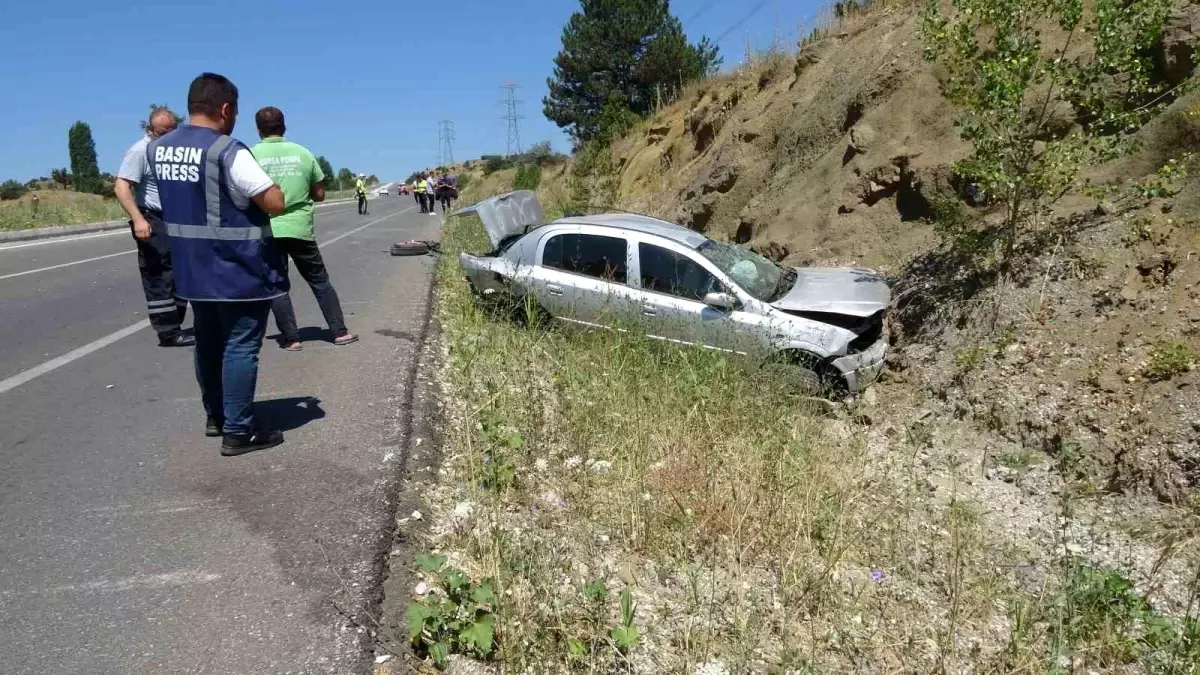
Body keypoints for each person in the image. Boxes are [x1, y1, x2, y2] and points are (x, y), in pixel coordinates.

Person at [151, 72, 289, 456]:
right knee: (241, 346)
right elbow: (272, 201)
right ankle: (239, 430)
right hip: (236, 268)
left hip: (190, 269)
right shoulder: (227, 150)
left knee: (208, 344)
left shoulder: (159, 149)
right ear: (226, 109)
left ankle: (216, 416)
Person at [251, 106, 358, 351]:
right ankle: (339, 331)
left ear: (259, 130)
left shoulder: (251, 156)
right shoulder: (302, 153)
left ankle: (291, 338)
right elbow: (319, 194)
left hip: (268, 230)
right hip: (300, 228)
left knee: (277, 285)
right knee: (319, 281)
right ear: (284, 126)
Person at [114, 107, 194, 347]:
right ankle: (168, 331)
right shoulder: (140, 151)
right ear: (150, 131)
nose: (167, 136)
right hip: (153, 218)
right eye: (162, 132)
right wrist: (139, 219)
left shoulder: (175, 150)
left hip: (177, 218)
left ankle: (176, 323)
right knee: (159, 275)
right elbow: (121, 187)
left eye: (172, 131)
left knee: (182, 273)